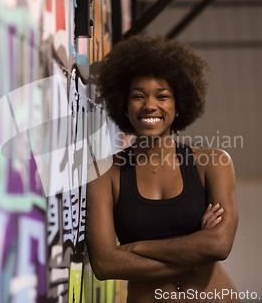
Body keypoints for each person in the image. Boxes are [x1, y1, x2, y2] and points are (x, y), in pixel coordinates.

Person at [86, 36, 239, 302]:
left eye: (162, 96)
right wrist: (194, 253)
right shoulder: (102, 174)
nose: (150, 105)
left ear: (179, 105)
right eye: (138, 96)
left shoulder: (213, 162)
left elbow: (219, 244)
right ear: (124, 104)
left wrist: (135, 248)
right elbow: (104, 264)